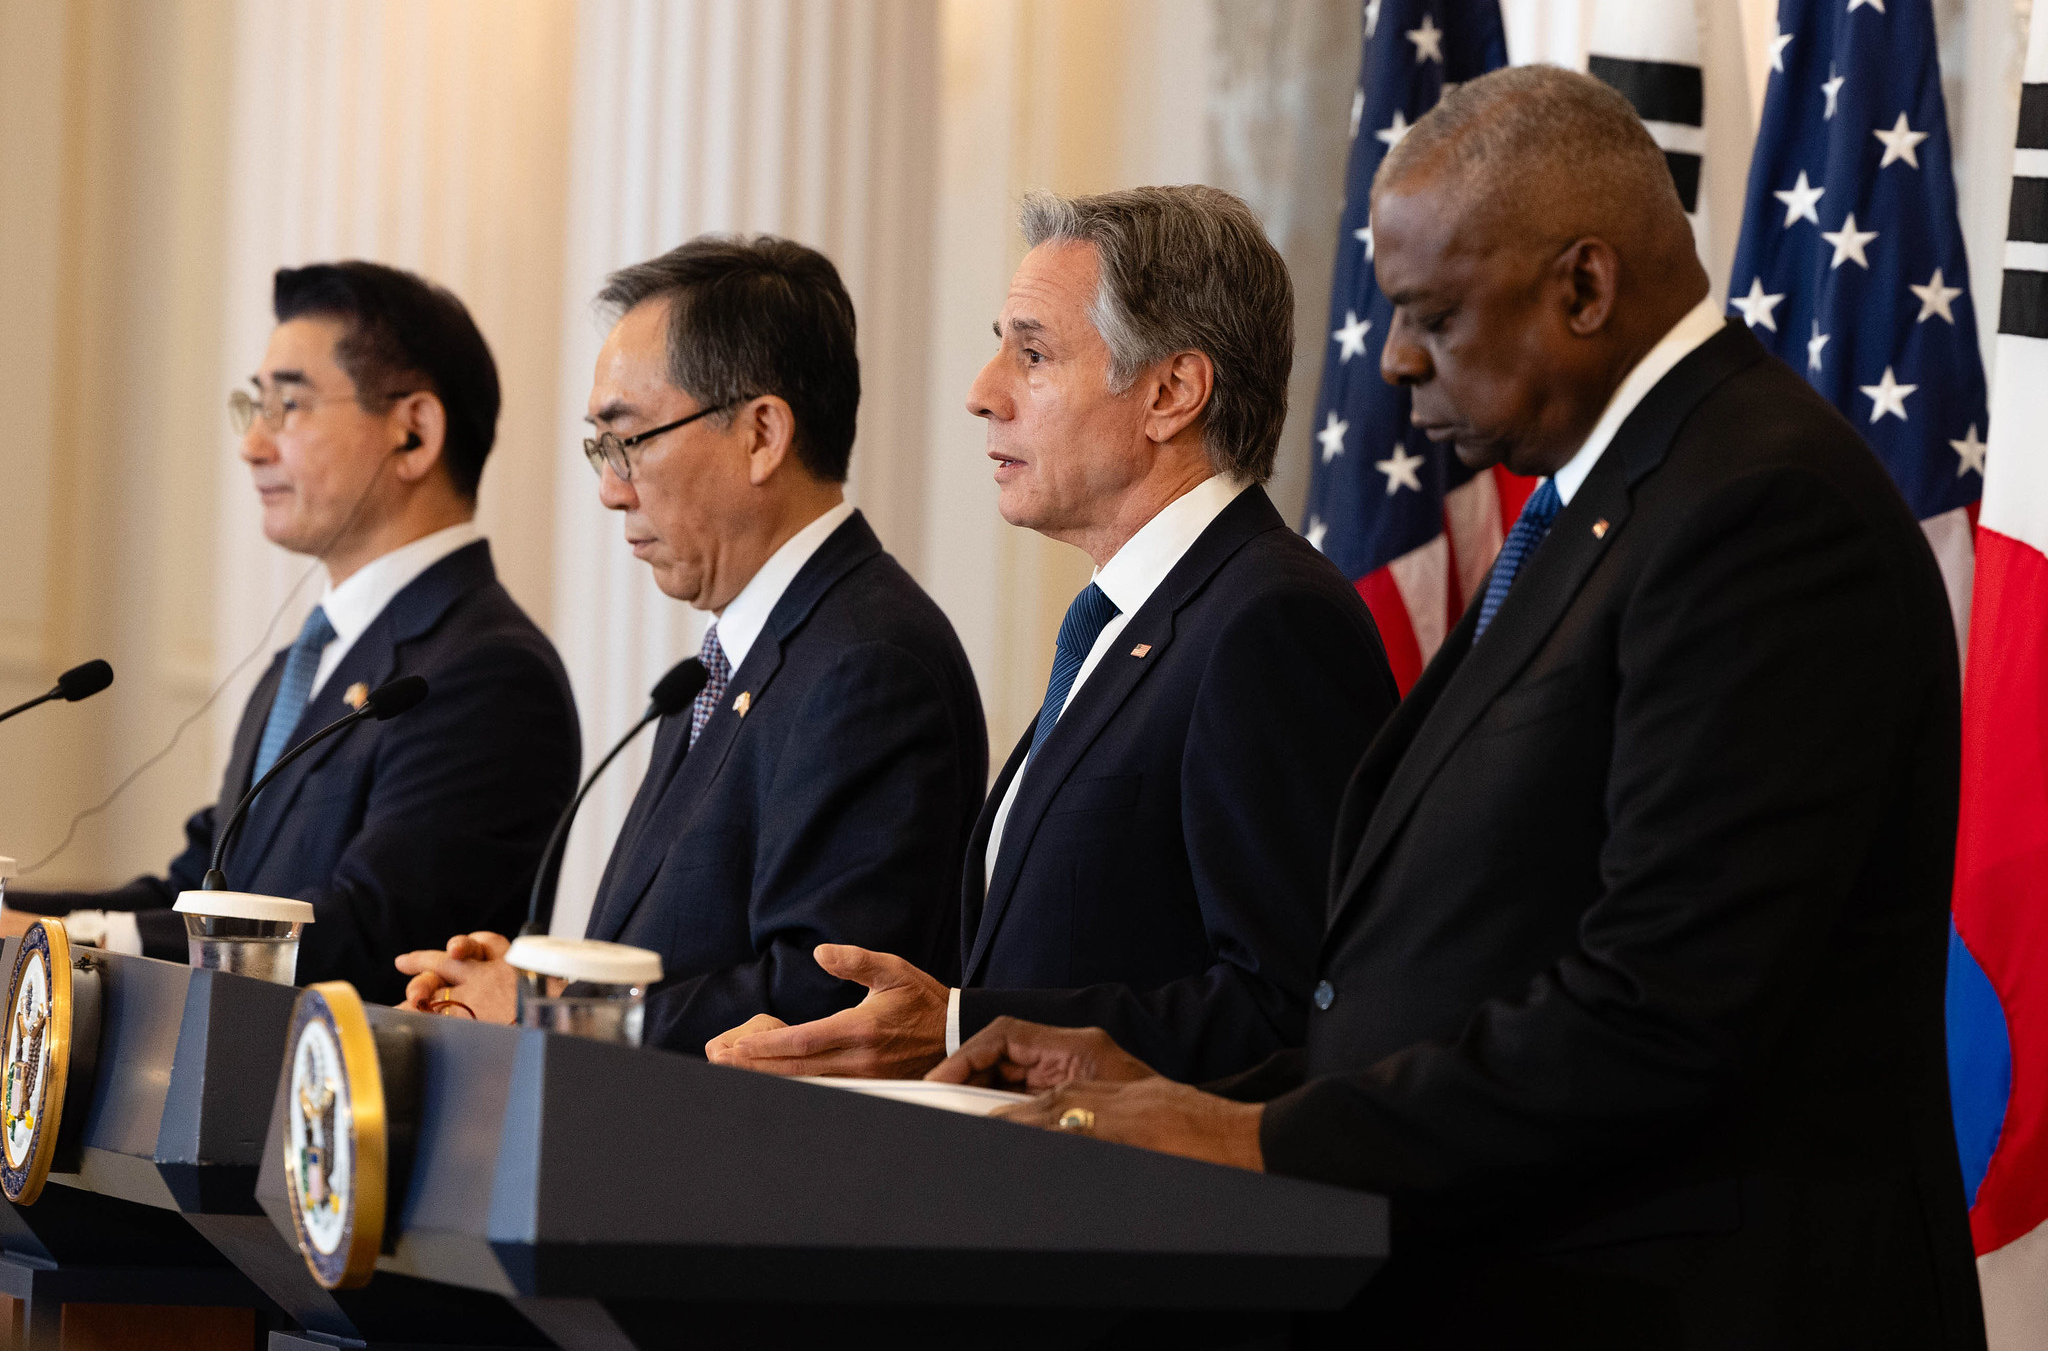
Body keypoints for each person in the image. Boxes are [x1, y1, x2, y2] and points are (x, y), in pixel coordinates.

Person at [929, 67, 1987, 1348]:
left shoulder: (1759, 513)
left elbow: (1663, 1009)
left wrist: (1258, 1132)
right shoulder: (1602, 510)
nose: (1394, 358)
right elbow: (1438, 978)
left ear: (1582, 288)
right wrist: (1168, 1086)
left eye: (1431, 310)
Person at [707, 187, 1397, 1083]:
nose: (983, 393)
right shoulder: (1129, 622)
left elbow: (1289, 1007)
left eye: (1031, 354)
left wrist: (966, 1027)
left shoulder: (1269, 620)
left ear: (1171, 392)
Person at [395, 236, 987, 1055]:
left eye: (628, 439)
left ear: (762, 434)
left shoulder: (868, 664)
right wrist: (546, 986)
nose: (610, 489)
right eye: (600, 448)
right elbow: (692, 950)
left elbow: (818, 1001)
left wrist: (553, 1014)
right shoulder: (732, 654)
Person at [6, 263, 581, 1005]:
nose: (252, 444)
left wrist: (69, 941)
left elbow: (374, 936)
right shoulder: (302, 662)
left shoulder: (490, 672)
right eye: (255, 403)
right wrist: (21, 918)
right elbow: (200, 890)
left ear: (414, 431)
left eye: (288, 404)